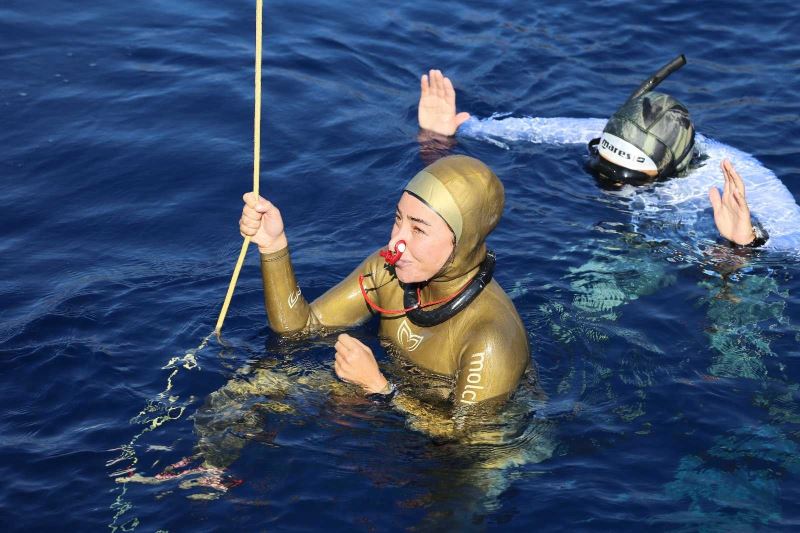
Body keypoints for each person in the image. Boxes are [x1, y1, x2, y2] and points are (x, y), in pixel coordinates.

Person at [239, 155, 532, 434]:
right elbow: (300, 330)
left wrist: (381, 389)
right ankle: (204, 478)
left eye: (418, 230)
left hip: (472, 466)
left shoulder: (490, 337)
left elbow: (468, 440)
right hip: (400, 415)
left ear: (463, 242)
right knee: (246, 392)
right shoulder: (387, 272)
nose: (396, 242)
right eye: (398, 219)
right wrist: (273, 246)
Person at [417, 66, 768, 248]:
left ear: (669, 171)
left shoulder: (737, 179)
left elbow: (791, 247)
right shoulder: (608, 131)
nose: (612, 182)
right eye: (603, 169)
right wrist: (447, 133)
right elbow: (534, 131)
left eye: (627, 178)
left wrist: (746, 243)